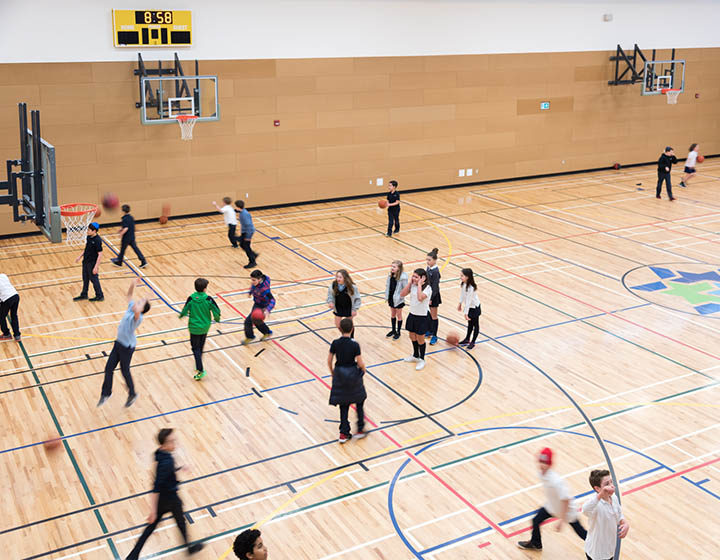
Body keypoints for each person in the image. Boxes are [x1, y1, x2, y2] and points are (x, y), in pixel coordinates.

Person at [125, 428, 204, 559]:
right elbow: (156, 487)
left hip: (165, 498)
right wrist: (153, 511)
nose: (175, 443)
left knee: (152, 528)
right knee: (180, 523)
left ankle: (133, 556)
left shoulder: (159, 453)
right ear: (164, 444)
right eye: (172, 441)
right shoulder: (167, 462)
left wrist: (179, 468)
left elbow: (163, 473)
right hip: (170, 498)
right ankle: (189, 548)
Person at [517, 447, 587, 551]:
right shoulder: (541, 474)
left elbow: (566, 500)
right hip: (552, 507)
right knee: (536, 520)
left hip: (567, 511)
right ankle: (536, 543)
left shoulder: (556, 481)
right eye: (541, 462)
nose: (542, 465)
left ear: (550, 464)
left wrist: (561, 521)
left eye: (544, 462)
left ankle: (599, 545)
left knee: (581, 533)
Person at [98, 278, 150, 408]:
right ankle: (106, 393)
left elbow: (138, 312)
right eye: (137, 302)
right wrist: (132, 285)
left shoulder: (137, 318)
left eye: (139, 304)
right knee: (108, 368)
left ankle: (132, 393)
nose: (136, 303)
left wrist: (146, 299)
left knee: (124, 370)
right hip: (118, 343)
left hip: (127, 347)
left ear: (141, 310)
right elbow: (129, 295)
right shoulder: (130, 309)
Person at [327, 318, 367, 443]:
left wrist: (333, 372)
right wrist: (363, 370)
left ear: (339, 329)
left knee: (343, 405)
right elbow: (360, 362)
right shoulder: (355, 344)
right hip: (352, 373)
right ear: (352, 328)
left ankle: (343, 433)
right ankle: (360, 429)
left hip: (340, 373)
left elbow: (329, 360)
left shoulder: (335, 343)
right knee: (359, 401)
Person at [179, 278, 221, 381]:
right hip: (205, 327)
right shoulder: (209, 299)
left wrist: (181, 316)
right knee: (200, 346)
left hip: (194, 328)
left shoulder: (191, 299)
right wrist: (217, 319)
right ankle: (199, 361)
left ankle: (200, 369)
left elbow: (184, 310)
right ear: (205, 289)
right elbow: (216, 310)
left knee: (195, 348)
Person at [582, 469, 629, 560]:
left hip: (610, 549)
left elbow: (619, 515)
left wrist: (625, 523)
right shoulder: (594, 504)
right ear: (597, 488)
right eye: (607, 484)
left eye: (611, 482)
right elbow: (585, 509)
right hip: (596, 553)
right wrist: (601, 495)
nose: (611, 486)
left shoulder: (614, 498)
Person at [400, 268, 432, 371]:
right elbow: (402, 294)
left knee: (420, 338)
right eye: (413, 276)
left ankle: (422, 359)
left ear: (423, 278)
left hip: (422, 316)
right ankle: (415, 355)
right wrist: (410, 283)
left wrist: (419, 285)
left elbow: (420, 298)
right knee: (411, 335)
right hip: (412, 314)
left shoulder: (428, 288)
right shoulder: (412, 286)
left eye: (416, 277)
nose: (413, 278)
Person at [73, 222, 104, 302]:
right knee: (85, 278)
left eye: (89, 230)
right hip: (85, 261)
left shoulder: (97, 240)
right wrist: (79, 257)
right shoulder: (88, 237)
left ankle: (99, 295)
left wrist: (96, 267)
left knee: (94, 280)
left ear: (94, 231)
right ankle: (84, 294)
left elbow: (100, 254)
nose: (88, 231)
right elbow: (86, 249)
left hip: (92, 263)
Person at [242, 270, 275, 344]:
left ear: (259, 279)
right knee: (256, 321)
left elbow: (273, 300)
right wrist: (250, 292)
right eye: (251, 279)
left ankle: (250, 337)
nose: (252, 282)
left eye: (254, 280)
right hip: (257, 303)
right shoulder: (257, 281)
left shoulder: (265, 289)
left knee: (248, 321)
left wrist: (267, 310)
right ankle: (267, 332)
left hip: (263, 306)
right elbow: (253, 286)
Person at [326, 269, 361, 337]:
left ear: (345, 278)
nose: (338, 279)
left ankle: (351, 337)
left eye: (340, 277)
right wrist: (330, 302)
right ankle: (345, 336)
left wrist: (354, 309)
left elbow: (357, 299)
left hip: (349, 307)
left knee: (349, 325)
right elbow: (330, 295)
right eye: (337, 277)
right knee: (338, 324)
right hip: (338, 307)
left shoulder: (352, 287)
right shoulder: (333, 285)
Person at [111, 204, 147, 268]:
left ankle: (119, 262)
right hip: (132, 236)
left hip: (126, 237)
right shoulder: (131, 217)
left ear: (123, 211)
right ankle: (143, 261)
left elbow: (126, 228)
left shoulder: (124, 218)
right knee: (135, 248)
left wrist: (121, 233)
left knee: (122, 249)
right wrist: (121, 229)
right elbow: (131, 226)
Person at [457, 268, 482, 349]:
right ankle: (467, 339)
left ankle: (473, 342)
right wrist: (460, 303)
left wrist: (465, 313)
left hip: (475, 307)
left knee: (475, 324)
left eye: (462, 276)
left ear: (467, 277)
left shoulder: (471, 287)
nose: (460, 277)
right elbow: (462, 295)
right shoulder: (464, 284)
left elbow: (468, 300)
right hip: (470, 307)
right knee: (470, 324)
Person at [385, 260, 408, 340]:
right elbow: (388, 286)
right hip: (391, 297)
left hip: (398, 299)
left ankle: (398, 332)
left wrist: (401, 296)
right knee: (392, 314)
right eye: (392, 266)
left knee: (399, 315)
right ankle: (393, 330)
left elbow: (406, 289)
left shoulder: (403, 278)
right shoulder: (390, 275)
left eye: (394, 267)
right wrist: (387, 296)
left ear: (399, 268)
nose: (392, 268)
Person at [425, 248, 442, 345]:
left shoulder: (435, 271)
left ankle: (435, 335)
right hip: (428, 294)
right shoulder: (429, 268)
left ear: (435, 260)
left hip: (434, 296)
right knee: (428, 313)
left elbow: (435, 287)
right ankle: (430, 330)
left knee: (434, 316)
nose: (427, 262)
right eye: (426, 260)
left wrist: (431, 298)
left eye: (429, 260)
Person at [236, 200, 258, 269]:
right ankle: (254, 254)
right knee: (242, 244)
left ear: (238, 207)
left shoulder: (244, 214)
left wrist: (248, 237)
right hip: (245, 232)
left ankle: (252, 261)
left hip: (248, 232)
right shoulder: (242, 212)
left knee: (246, 246)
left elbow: (248, 225)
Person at [0, 273, 21, 342]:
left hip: (7, 299)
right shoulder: (3, 275)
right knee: (14, 315)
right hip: (16, 296)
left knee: (1, 317)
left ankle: (6, 334)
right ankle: (17, 335)